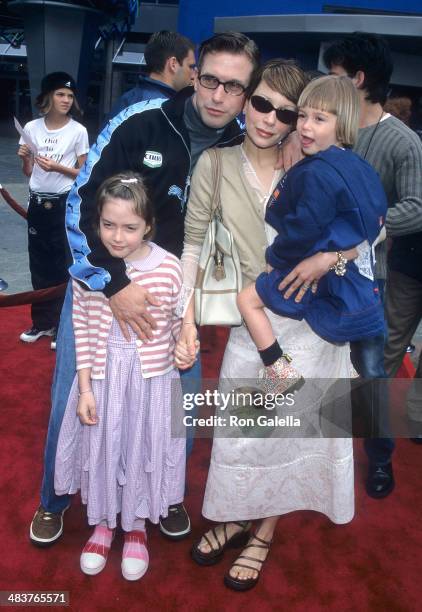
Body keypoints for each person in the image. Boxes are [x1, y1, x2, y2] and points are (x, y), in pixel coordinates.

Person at [29, 31, 260, 547]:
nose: (219, 95)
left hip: (174, 299)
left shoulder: (244, 143)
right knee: (74, 392)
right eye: (211, 80)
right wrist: (111, 285)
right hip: (99, 288)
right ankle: (55, 498)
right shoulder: (141, 122)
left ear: (247, 93)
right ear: (195, 75)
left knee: (179, 401)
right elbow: (81, 205)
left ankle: (165, 494)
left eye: (235, 87)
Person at [177, 59, 355, 592]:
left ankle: (263, 531)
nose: (269, 118)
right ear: (246, 99)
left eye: (285, 111)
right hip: (250, 320)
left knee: (287, 432)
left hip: (313, 323)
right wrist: (184, 319)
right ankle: (236, 514)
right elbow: (190, 245)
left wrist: (330, 259)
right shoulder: (215, 162)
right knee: (241, 432)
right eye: (260, 103)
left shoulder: (320, 160)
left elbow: (370, 227)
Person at [54, 172, 189, 580]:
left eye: (130, 227)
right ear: (95, 224)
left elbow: (182, 317)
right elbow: (81, 327)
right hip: (104, 378)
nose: (117, 236)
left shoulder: (169, 266)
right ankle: (102, 523)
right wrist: (84, 388)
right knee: (103, 447)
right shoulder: (90, 269)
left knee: (142, 449)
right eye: (108, 225)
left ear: (148, 224)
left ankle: (136, 527)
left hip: (152, 381)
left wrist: (186, 340)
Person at [237, 76, 386, 393]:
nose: (305, 126)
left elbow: (304, 227)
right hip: (350, 278)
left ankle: (279, 371)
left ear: (342, 122)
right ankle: (345, 375)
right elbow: (376, 221)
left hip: (314, 270)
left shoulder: (318, 171)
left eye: (319, 119)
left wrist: (274, 259)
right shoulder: (359, 166)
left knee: (247, 300)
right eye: (302, 115)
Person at [17, 72, 89, 348]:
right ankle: (42, 323)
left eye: (70, 96)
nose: (66, 100)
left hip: (63, 204)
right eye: (61, 94)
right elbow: (29, 173)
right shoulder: (32, 128)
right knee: (39, 263)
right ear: (48, 96)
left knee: (62, 264)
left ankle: (62, 325)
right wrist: (26, 159)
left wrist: (58, 167)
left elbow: (84, 173)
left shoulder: (78, 131)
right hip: (37, 203)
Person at [108, 30, 196, 119]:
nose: (193, 75)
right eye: (191, 66)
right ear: (173, 64)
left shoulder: (128, 98)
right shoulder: (165, 110)